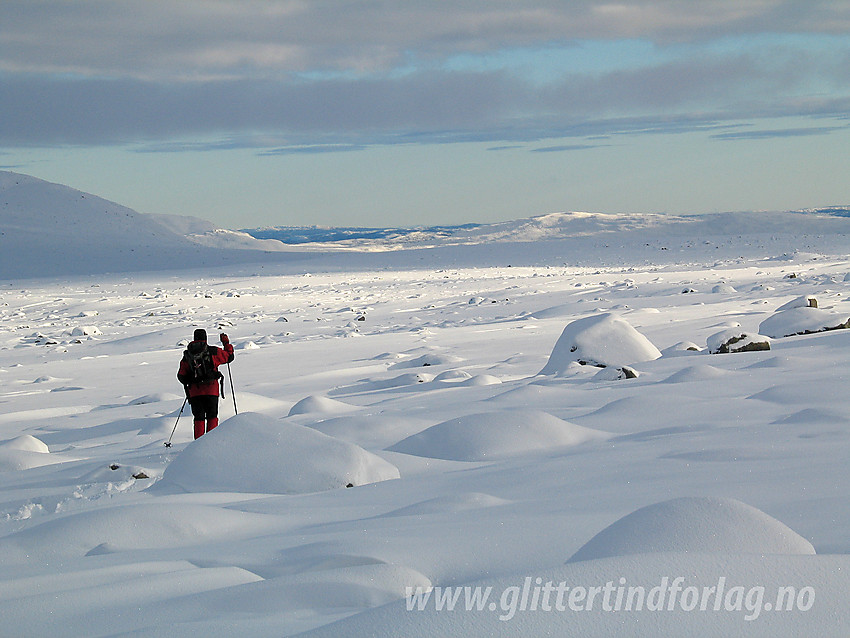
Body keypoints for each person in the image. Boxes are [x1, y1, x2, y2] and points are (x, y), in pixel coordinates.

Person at [177, 328, 234, 439]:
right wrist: (226, 342)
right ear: (205, 338)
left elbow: (181, 375)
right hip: (211, 390)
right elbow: (229, 356)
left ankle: (198, 444)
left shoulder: (187, 355)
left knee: (199, 418)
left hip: (195, 393)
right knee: (212, 416)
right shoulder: (213, 351)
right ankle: (211, 443)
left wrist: (192, 380)